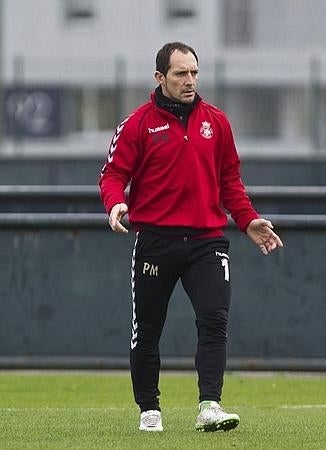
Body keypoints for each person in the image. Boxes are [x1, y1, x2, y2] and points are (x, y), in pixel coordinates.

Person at [99, 41, 283, 433]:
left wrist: (247, 220)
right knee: (147, 328)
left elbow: (230, 181)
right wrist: (115, 204)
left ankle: (210, 405)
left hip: (206, 241)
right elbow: (113, 174)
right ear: (160, 77)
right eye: (181, 73)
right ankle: (149, 409)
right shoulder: (137, 124)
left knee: (214, 320)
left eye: (195, 73)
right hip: (156, 242)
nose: (190, 81)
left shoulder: (216, 122)